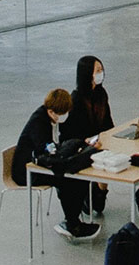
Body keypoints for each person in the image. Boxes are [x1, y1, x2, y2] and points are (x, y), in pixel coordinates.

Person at [13, 87, 99, 240]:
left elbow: (58, 146)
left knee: (76, 176)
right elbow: (45, 152)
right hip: (26, 172)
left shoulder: (52, 118)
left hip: (40, 163)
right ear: (51, 111)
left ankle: (72, 219)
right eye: (62, 113)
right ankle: (73, 224)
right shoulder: (38, 124)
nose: (65, 116)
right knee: (68, 180)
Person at [66, 55, 115, 218]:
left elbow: (108, 122)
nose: (101, 74)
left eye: (102, 70)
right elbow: (70, 133)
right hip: (83, 146)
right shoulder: (77, 99)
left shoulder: (101, 94)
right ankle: (91, 196)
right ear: (87, 74)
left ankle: (100, 191)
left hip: (99, 142)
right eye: (97, 71)